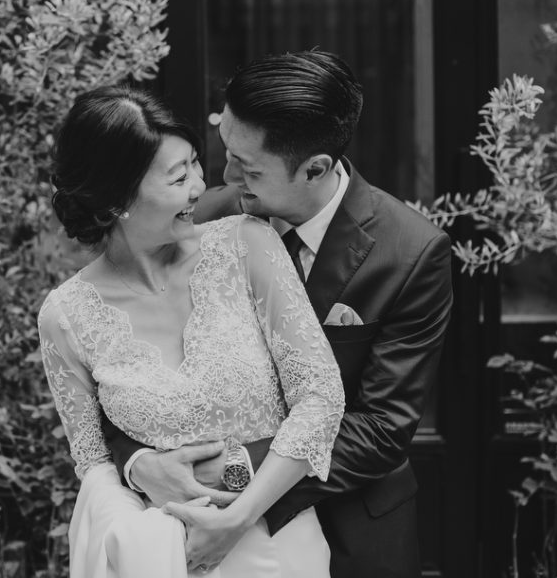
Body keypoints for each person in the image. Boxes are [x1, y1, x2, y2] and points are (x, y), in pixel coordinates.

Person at [103, 51, 454, 578]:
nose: (225, 176)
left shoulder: (411, 252)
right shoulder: (197, 220)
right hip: (197, 531)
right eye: (227, 153)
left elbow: (380, 428)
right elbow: (118, 363)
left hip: (352, 533)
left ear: (315, 168)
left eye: (249, 168)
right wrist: (140, 462)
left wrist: (233, 477)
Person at [38, 84, 346, 577]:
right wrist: (138, 470)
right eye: (179, 177)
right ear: (117, 200)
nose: (200, 187)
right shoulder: (65, 316)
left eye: (196, 165)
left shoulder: (247, 245)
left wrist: (237, 519)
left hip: (276, 550)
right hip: (160, 558)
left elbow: (321, 396)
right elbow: (94, 461)